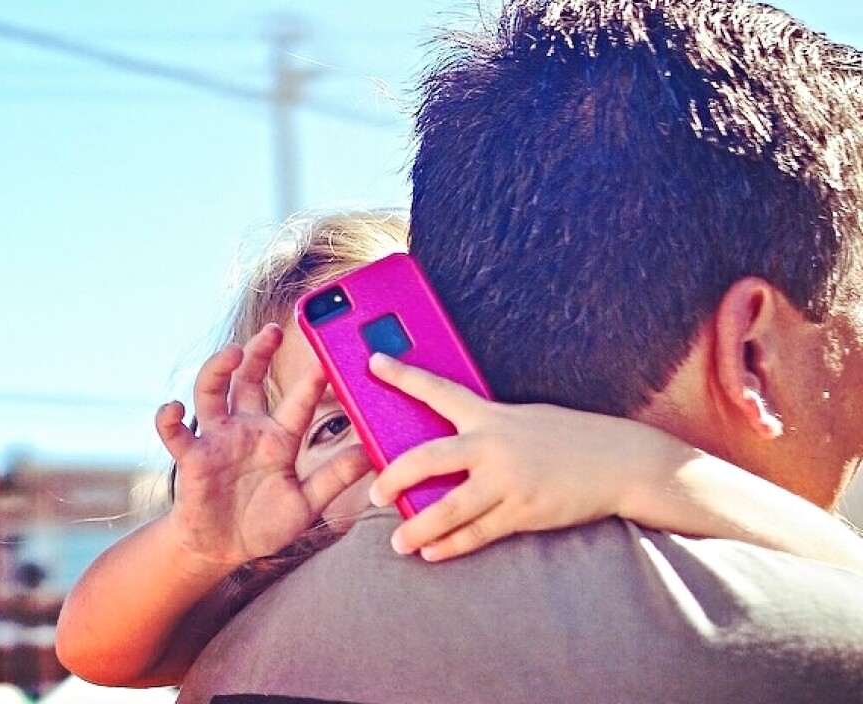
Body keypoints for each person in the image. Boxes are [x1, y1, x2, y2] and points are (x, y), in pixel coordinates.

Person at [178, 1, 863, 702]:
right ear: (750, 354)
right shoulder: (829, 646)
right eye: (331, 425)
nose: (375, 456)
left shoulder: (232, 663)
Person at [59, 207, 863, 693]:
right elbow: (96, 651)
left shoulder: (565, 503)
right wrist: (201, 547)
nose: (385, 444)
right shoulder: (284, 570)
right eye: (334, 426)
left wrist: (630, 468)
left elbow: (824, 568)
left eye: (424, 383)